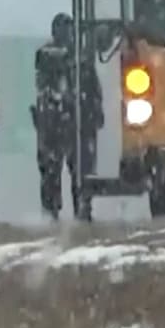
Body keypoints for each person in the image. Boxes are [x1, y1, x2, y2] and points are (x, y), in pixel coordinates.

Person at [30, 13, 102, 220]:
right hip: (67, 120)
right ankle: (77, 209)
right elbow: (91, 87)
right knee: (74, 169)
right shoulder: (73, 55)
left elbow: (90, 87)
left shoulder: (51, 54)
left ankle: (59, 210)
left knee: (59, 169)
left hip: (62, 120)